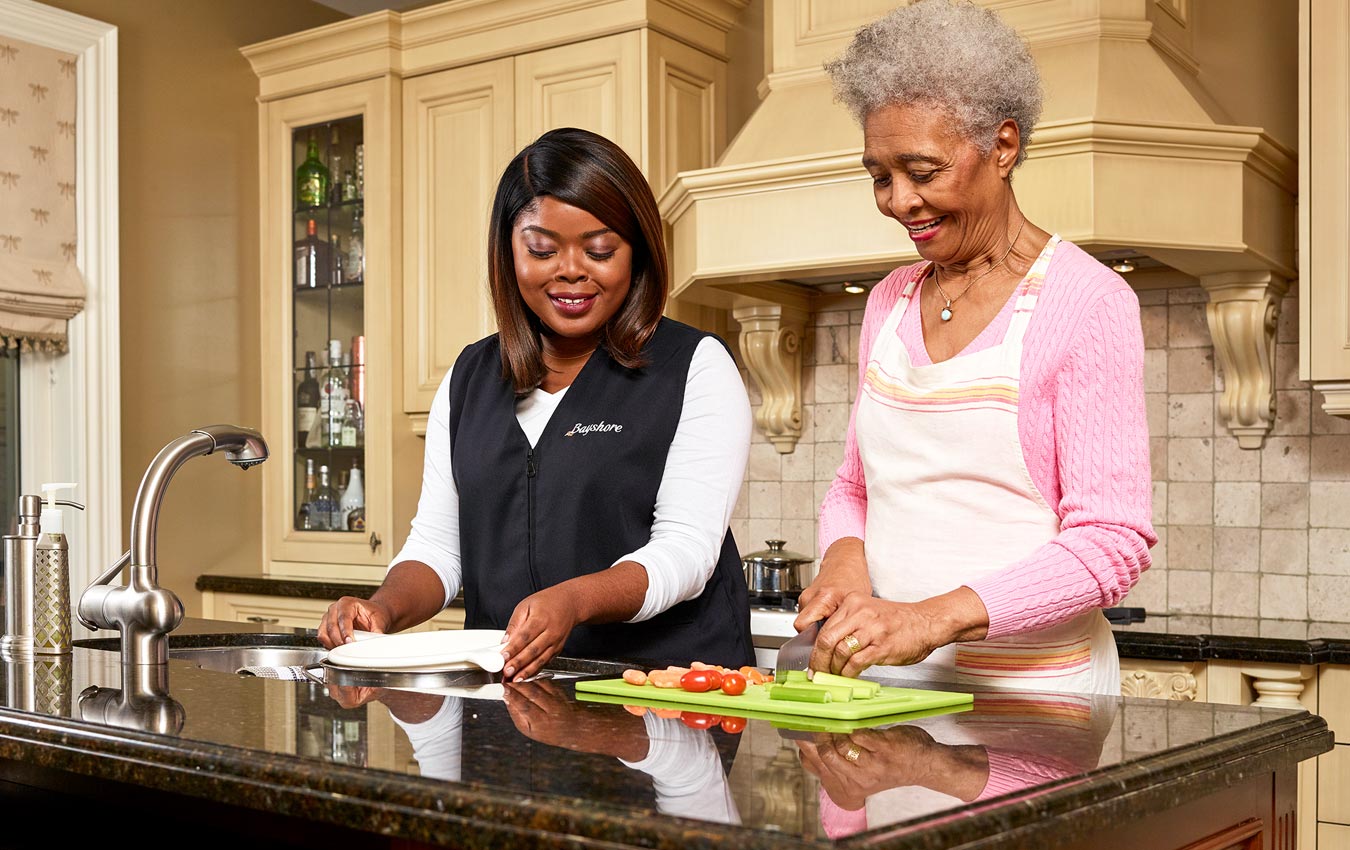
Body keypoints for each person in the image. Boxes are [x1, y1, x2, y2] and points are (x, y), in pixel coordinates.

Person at [795, 0, 1156, 695]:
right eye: (879, 175)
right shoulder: (889, 301)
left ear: (1004, 146)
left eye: (923, 171)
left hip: (1033, 695)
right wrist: (844, 559)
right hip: (885, 685)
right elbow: (855, 486)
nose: (899, 201)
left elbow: (1111, 541)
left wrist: (932, 619)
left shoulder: (1087, 302)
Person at [319, 127, 756, 680]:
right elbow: (437, 545)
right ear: (509, 250)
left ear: (638, 252)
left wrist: (573, 601)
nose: (570, 270)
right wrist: (382, 608)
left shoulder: (693, 365)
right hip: (512, 701)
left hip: (659, 703)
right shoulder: (468, 378)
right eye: (542, 250)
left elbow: (687, 553)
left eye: (599, 250)